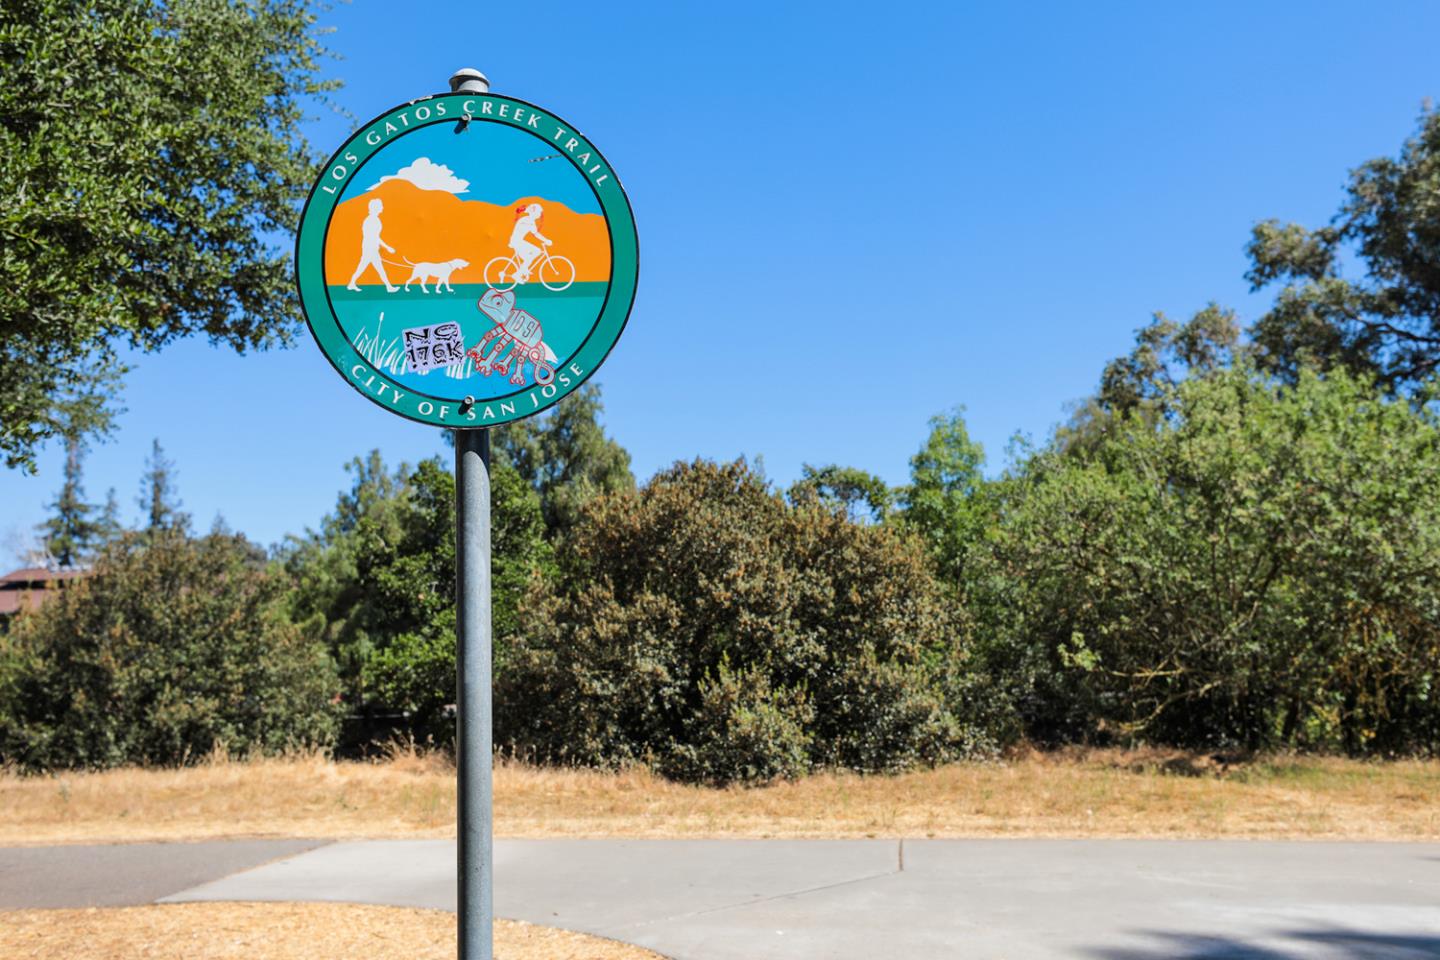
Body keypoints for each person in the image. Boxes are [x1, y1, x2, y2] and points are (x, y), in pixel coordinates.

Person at [347, 198, 400, 292]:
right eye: (381, 206)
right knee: (375, 267)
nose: (382, 207)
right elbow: (374, 237)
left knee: (366, 267)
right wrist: (388, 247)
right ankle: (389, 287)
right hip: (370, 248)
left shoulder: (374, 219)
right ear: (376, 208)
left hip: (370, 247)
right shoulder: (372, 220)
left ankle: (352, 283)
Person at [507, 202, 552, 284]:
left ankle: (524, 269)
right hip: (517, 241)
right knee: (534, 253)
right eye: (538, 212)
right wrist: (546, 240)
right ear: (534, 212)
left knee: (531, 256)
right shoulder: (528, 221)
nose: (539, 214)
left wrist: (545, 240)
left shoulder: (529, 220)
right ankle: (517, 274)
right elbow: (536, 234)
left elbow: (535, 233)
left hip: (517, 241)